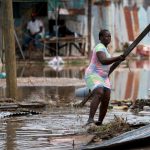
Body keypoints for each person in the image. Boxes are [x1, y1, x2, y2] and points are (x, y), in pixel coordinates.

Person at [84, 29, 125, 126]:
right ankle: (90, 119)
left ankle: (99, 122)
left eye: (109, 36)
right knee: (99, 92)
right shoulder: (99, 47)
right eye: (106, 36)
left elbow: (107, 63)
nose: (108, 38)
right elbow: (103, 61)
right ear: (100, 38)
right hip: (93, 75)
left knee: (106, 98)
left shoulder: (106, 49)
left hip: (104, 77)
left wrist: (117, 59)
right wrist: (118, 58)